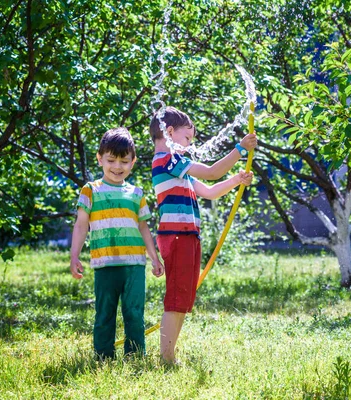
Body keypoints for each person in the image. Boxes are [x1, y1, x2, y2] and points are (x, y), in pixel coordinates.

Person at [150, 106, 257, 363]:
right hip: (177, 236)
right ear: (170, 131)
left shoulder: (178, 168)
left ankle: (169, 354)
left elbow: (208, 190)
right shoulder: (168, 160)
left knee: (182, 298)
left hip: (186, 236)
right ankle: (166, 357)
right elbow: (210, 171)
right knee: (176, 298)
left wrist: (235, 181)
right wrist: (240, 150)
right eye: (187, 139)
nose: (189, 145)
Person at [70, 127, 164, 360]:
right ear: (100, 158)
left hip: (134, 265)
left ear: (132, 162)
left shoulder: (136, 193)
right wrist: (74, 256)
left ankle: (135, 355)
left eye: (124, 161)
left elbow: (143, 227)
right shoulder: (91, 190)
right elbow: (81, 225)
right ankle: (103, 356)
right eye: (111, 160)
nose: (117, 167)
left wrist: (154, 257)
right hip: (104, 264)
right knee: (105, 313)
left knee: (134, 312)